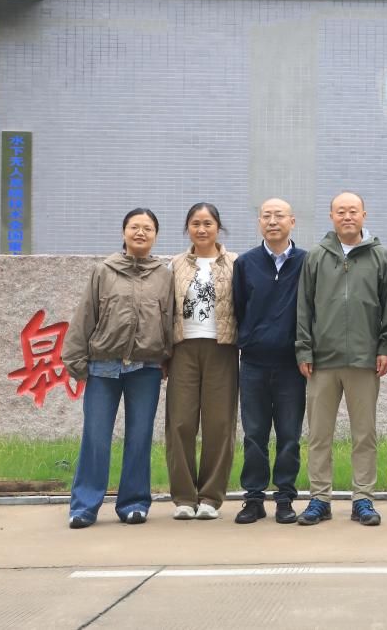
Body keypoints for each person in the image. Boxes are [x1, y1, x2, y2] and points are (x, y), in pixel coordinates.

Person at [61, 208, 173, 529]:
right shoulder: (103, 271)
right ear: (124, 232)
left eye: (147, 228)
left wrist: (169, 358)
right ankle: (84, 506)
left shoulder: (164, 275)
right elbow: (86, 315)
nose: (141, 232)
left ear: (155, 235)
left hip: (146, 369)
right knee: (96, 437)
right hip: (103, 368)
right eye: (134, 227)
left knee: (139, 437)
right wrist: (75, 359)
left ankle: (134, 503)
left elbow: (170, 320)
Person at [295, 192, 387, 526]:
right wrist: (304, 349)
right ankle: (319, 499)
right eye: (341, 211)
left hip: (364, 360)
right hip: (322, 361)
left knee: (364, 435)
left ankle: (363, 499)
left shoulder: (381, 257)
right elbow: (304, 308)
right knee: (319, 435)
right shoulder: (316, 256)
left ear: (364, 214)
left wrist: (385, 348)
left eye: (353, 211)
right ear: (332, 216)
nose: (347, 216)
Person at [232, 198, 308, 524]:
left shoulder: (307, 262)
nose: (273, 221)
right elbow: (238, 308)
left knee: (289, 435)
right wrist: (249, 340)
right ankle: (253, 498)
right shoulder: (245, 263)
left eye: (279, 216)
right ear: (259, 222)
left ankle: (285, 498)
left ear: (292, 222)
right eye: (266, 216)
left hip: (292, 364)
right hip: (253, 363)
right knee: (254, 435)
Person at [165, 202, 238, 522]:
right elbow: (165, 309)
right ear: (187, 228)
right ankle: (183, 497)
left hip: (222, 348)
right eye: (195, 223)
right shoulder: (175, 265)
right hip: (183, 348)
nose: (202, 229)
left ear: (218, 227)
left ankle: (210, 497)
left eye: (208, 223)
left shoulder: (235, 263)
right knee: (180, 422)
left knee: (219, 424)